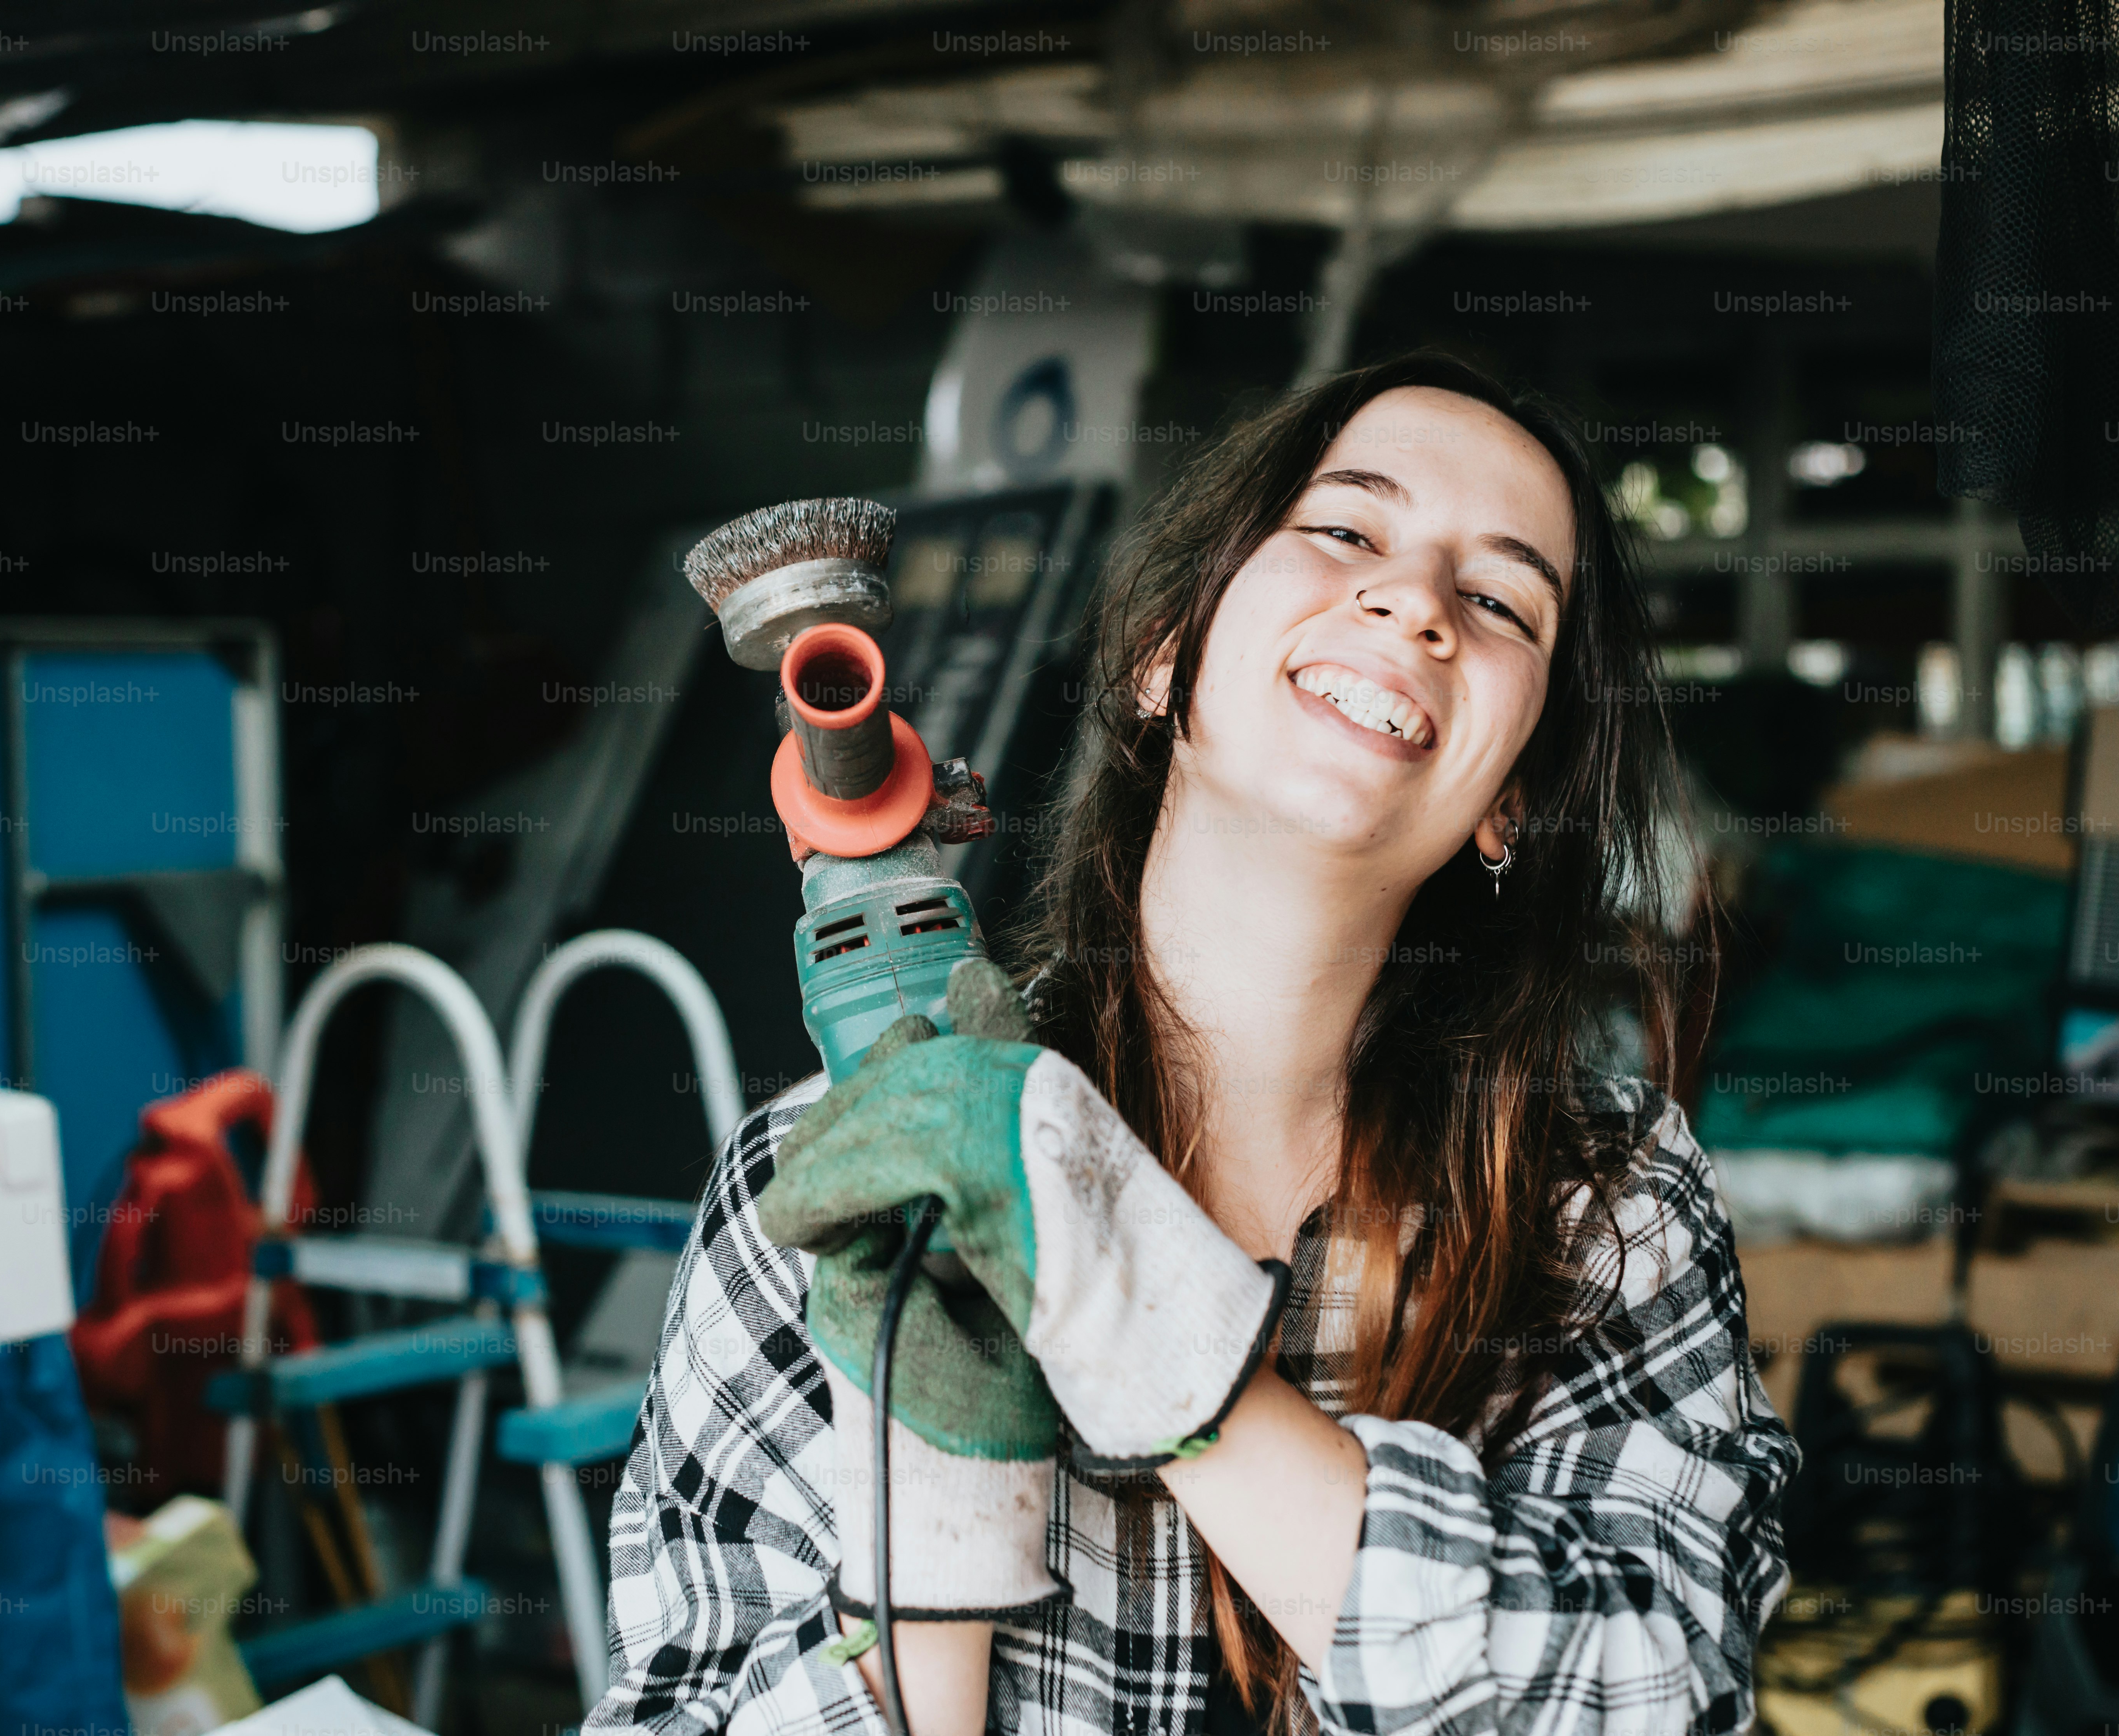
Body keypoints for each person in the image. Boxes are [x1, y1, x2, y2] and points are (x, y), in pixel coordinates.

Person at [586, 353, 1798, 1736]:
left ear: (1508, 802)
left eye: (1502, 599)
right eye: (1345, 530)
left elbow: (1663, 1700)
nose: (1414, 603)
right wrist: (936, 1503)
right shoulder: (828, 1179)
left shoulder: (1603, 1203)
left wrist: (1166, 1340)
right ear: (1169, 652)